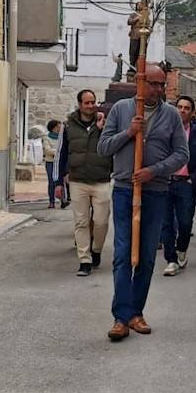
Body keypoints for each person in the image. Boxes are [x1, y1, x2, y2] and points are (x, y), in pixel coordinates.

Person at [98, 64, 189, 340]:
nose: (159, 90)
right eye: (153, 83)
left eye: (162, 85)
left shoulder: (171, 115)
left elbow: (181, 154)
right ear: (141, 82)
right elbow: (103, 148)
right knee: (123, 254)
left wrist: (155, 170)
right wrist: (128, 133)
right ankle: (121, 317)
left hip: (156, 191)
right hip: (126, 189)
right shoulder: (122, 110)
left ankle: (137, 313)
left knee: (147, 256)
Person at [56, 89, 113, 277]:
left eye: (93, 102)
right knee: (80, 222)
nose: (91, 106)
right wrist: (58, 181)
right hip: (78, 180)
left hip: (101, 179)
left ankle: (96, 249)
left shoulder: (105, 123)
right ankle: (85, 260)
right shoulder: (68, 125)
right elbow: (61, 154)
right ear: (80, 104)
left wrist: (102, 129)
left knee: (101, 222)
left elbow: (113, 146)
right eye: (87, 103)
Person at [162, 95, 196, 276]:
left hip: (186, 183)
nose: (182, 111)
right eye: (179, 107)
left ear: (192, 112)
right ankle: (171, 259)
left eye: (186, 108)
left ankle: (181, 249)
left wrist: (193, 179)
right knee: (165, 224)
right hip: (166, 181)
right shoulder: (165, 130)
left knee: (185, 222)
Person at [42, 120, 66, 209]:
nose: (60, 128)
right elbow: (47, 150)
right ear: (54, 127)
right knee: (52, 182)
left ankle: (63, 200)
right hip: (50, 162)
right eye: (59, 126)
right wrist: (59, 152)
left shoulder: (62, 137)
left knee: (62, 181)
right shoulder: (46, 137)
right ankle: (51, 201)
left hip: (61, 162)